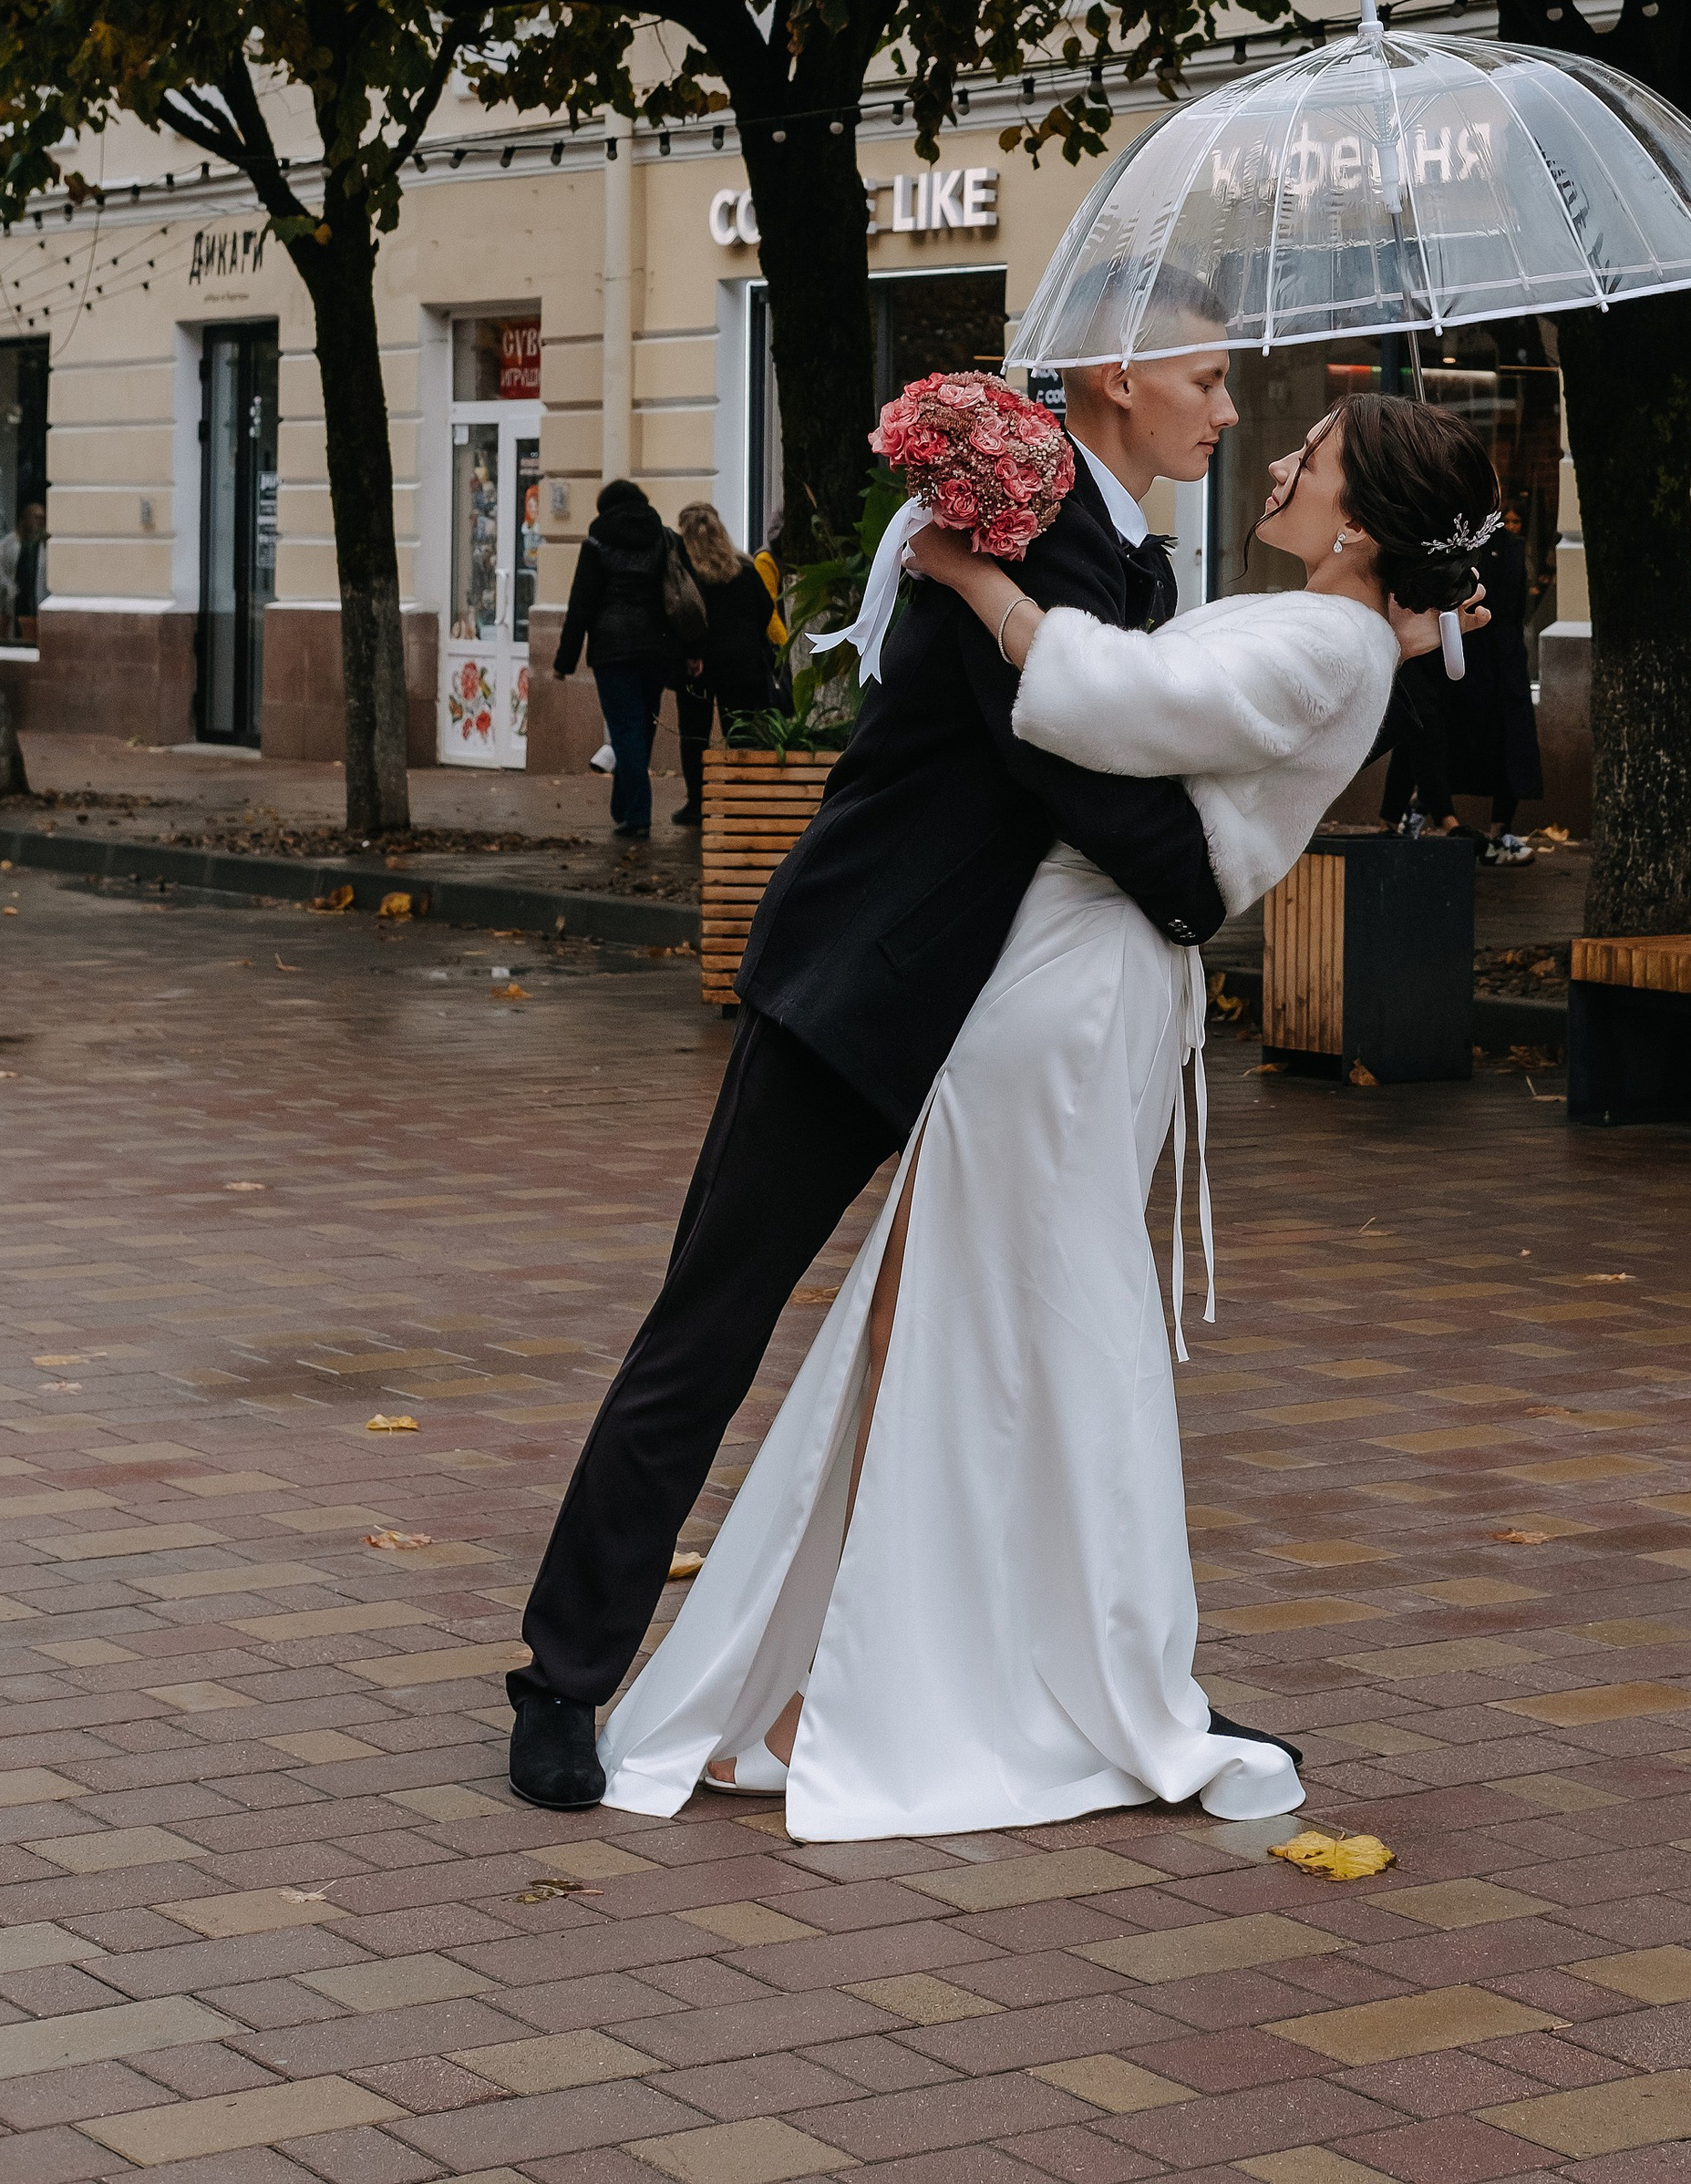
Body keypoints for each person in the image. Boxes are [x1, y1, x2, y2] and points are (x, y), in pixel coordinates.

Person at [592, 390, 1500, 1839]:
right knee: (956, 1317)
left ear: (1364, 519)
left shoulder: (1326, 641)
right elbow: (1221, 704)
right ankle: (891, 1674)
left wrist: (973, 580)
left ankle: (890, 1687)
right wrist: (1390, 636)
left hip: (1073, 993)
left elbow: (1110, 705)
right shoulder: (1334, 636)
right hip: (1071, 977)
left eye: (1313, 454)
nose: (1273, 453)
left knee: (960, 1319)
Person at [506, 282, 1237, 1812]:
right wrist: (1205, 883)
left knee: (1042, 1355)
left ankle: (1098, 1691)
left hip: (1002, 1031)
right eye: (1208, 378)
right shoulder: (1021, 526)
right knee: (712, 1324)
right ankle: (563, 1679)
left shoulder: (1122, 552)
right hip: (865, 987)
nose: (1227, 412)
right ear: (1117, 375)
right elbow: (1082, 772)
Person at [1377, 516, 1541, 856]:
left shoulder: (1503, 546)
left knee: (1435, 730)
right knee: (1422, 728)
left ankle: (1424, 818)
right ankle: (1415, 818)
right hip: (1438, 650)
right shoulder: (1435, 536)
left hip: (1473, 652)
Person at [552, 479, 680, 838]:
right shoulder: (664, 538)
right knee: (643, 727)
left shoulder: (596, 543)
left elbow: (581, 605)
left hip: (613, 650)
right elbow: (678, 593)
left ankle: (637, 814)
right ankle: (624, 805)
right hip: (656, 647)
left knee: (625, 730)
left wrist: (564, 661)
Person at [668, 500, 779, 830]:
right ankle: (743, 801)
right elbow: (766, 610)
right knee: (742, 733)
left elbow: (680, 618)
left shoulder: (684, 574)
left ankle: (697, 804)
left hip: (698, 667)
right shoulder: (744, 568)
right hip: (742, 665)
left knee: (694, 737)